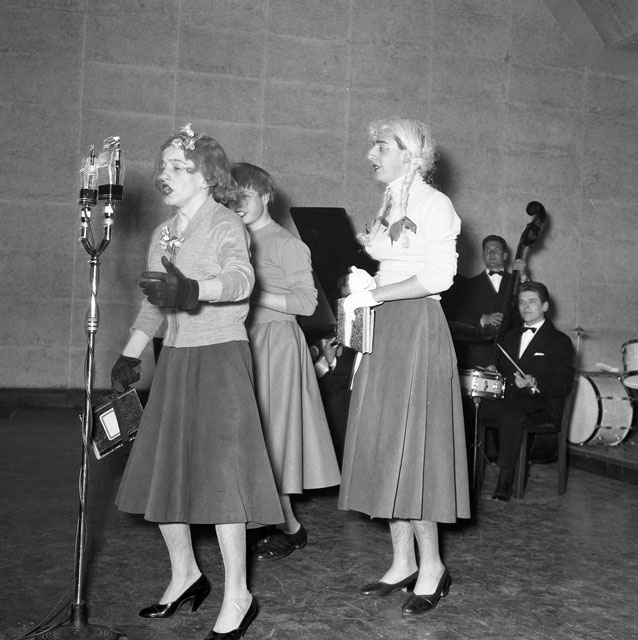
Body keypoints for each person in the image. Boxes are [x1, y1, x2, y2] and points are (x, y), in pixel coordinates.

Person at [111, 124, 283, 640]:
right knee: (165, 470)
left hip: (220, 357)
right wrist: (129, 354)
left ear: (206, 176)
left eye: (177, 167)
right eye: (162, 167)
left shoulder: (225, 223)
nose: (164, 175)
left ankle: (239, 594)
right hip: (176, 359)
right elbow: (154, 303)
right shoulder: (164, 233)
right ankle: (185, 574)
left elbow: (241, 281)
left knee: (222, 477)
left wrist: (193, 290)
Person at [338, 117, 471, 617]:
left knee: (412, 448)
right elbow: (390, 263)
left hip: (415, 327)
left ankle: (432, 566)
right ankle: (402, 561)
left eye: (381, 146)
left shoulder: (435, 204)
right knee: (383, 443)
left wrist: (377, 293)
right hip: (384, 324)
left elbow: (439, 276)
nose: (371, 154)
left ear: (410, 155)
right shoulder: (389, 202)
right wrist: (365, 285)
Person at [229, 162, 341, 561]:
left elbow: (307, 303)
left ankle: (286, 527)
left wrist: (251, 294)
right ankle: (266, 523)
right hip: (242, 340)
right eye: (231, 197)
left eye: (245, 195)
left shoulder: (287, 243)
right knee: (249, 439)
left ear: (265, 197)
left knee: (272, 441)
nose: (237, 203)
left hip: (277, 343)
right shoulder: (234, 240)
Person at [479, 281, 574, 501]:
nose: (526, 306)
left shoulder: (560, 341)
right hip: (511, 400)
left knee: (511, 414)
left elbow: (562, 384)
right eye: (522, 302)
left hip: (543, 404)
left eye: (532, 301)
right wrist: (494, 371)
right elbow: (503, 371)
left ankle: (505, 481)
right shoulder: (510, 337)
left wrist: (534, 382)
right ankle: (470, 475)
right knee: (475, 408)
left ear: (545, 306)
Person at [449, 235, 529, 369]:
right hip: (477, 355)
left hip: (509, 353)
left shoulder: (517, 281)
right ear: (483, 255)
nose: (491, 254)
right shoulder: (469, 284)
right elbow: (460, 316)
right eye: (487, 250)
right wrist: (482, 319)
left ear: (505, 255)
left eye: (496, 250)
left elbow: (530, 306)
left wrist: (524, 277)